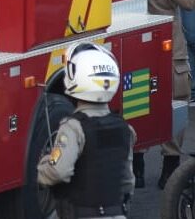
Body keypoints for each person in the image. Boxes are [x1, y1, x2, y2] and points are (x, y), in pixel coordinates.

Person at [37, 42, 134, 218]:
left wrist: (43, 169)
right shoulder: (124, 128)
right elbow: (127, 180)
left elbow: (59, 170)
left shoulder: (74, 128)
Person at [143, 0, 195, 188]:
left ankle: (137, 166)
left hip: (139, 43)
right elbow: (187, 0)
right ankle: (170, 167)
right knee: (174, 101)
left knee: (137, 101)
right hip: (169, 42)